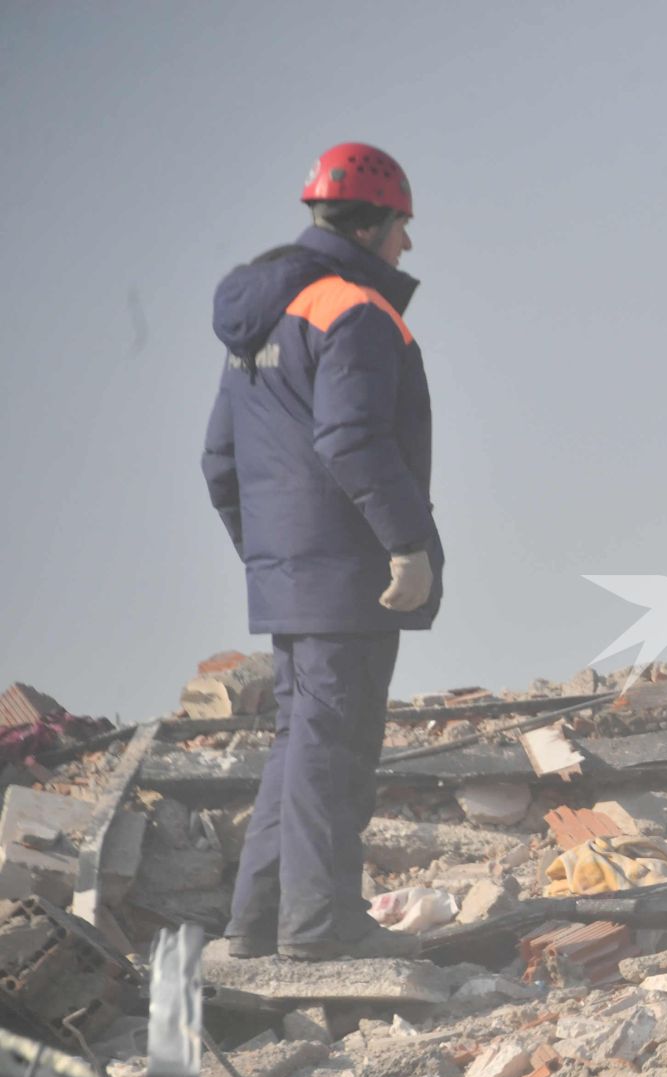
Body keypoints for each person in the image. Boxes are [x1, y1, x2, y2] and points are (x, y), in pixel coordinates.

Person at [201, 142, 443, 961]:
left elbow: (220, 462)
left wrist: (267, 557)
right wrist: (406, 543)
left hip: (289, 572)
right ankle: (322, 928)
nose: (408, 246)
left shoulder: (262, 321)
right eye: (402, 227)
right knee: (334, 750)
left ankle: (255, 928)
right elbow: (350, 438)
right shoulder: (355, 311)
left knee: (297, 743)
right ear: (372, 225)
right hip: (348, 569)